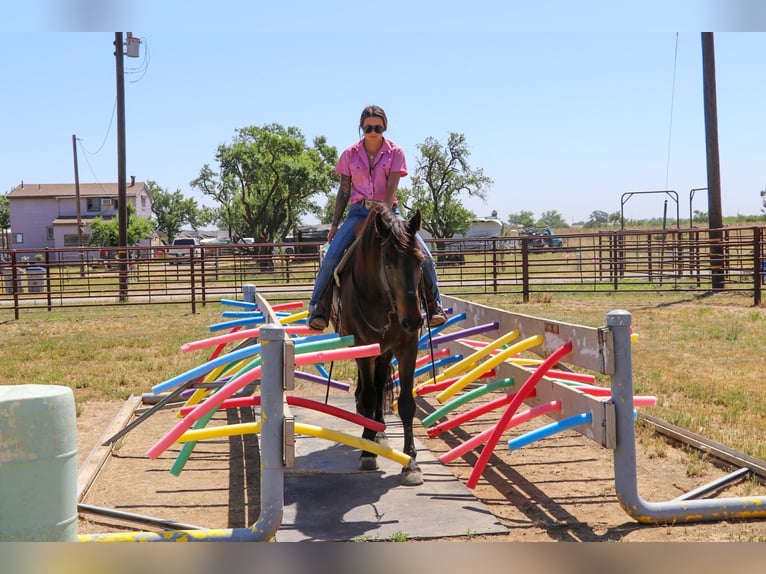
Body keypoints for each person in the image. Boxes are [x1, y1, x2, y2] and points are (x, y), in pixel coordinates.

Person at [307, 104, 447, 331]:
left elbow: (391, 187)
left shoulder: (395, 152)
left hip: (389, 212)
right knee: (332, 257)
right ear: (361, 127)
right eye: (368, 127)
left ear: (385, 127)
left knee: (424, 256)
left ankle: (434, 305)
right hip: (358, 211)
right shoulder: (349, 154)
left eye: (378, 128)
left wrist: (385, 217)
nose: (373, 131)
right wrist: (334, 225)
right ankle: (318, 308)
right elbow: (344, 192)